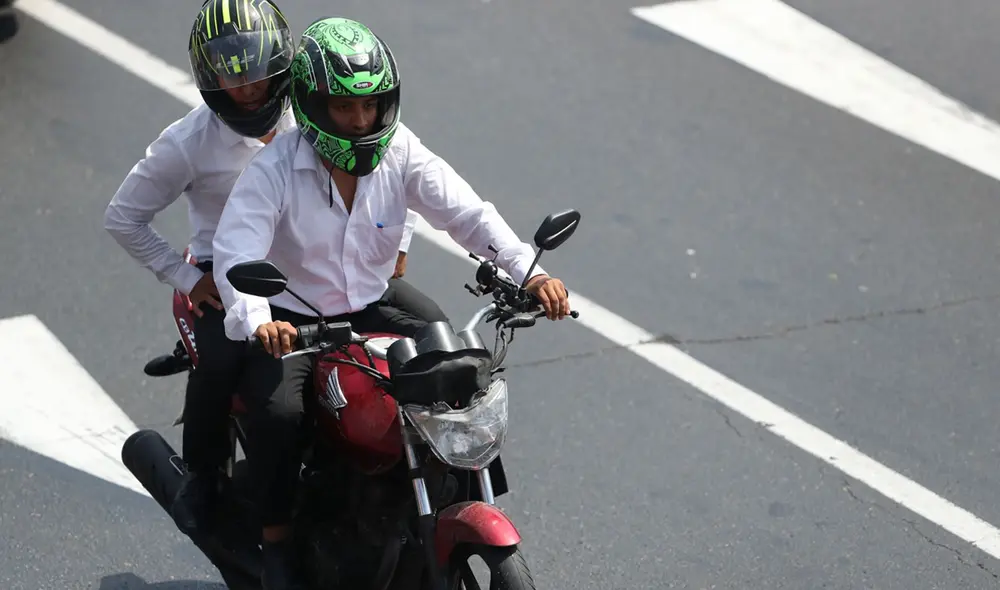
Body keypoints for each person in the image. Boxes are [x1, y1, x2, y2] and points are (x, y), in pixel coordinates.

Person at [212, 16, 571, 589]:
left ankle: (456, 492)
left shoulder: (400, 149)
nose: (360, 121)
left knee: (456, 369)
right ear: (311, 105)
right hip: (297, 317)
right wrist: (260, 321)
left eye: (371, 106)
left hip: (374, 301)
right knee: (278, 414)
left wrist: (530, 273)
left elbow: (467, 215)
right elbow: (235, 251)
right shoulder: (275, 168)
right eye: (344, 108)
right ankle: (277, 544)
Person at [103, 0, 439, 540]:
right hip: (232, 274)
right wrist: (189, 278)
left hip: (322, 263)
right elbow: (123, 218)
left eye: (261, 74)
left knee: (435, 335)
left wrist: (399, 239)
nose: (252, 89)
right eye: (235, 79)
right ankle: (205, 479)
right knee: (224, 362)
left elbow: (388, 164)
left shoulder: (315, 113)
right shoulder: (186, 145)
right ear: (209, 78)